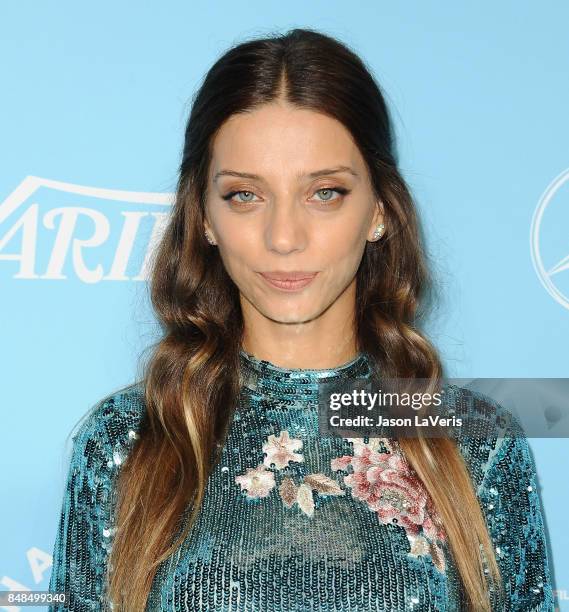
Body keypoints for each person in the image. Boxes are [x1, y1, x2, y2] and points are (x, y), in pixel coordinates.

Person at [47, 28, 554, 611]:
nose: (283, 238)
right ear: (204, 217)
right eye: (245, 195)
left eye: (325, 193)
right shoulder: (124, 440)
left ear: (380, 212)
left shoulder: (474, 444)